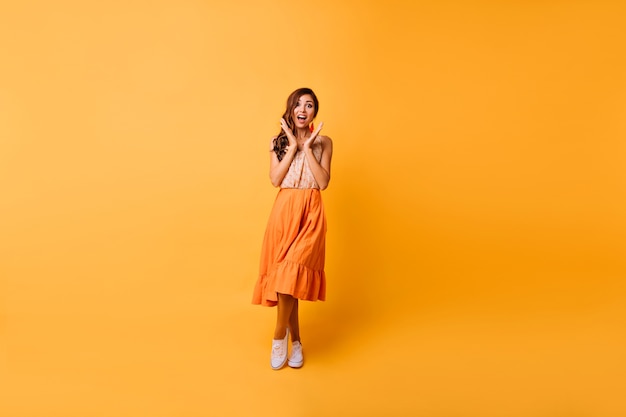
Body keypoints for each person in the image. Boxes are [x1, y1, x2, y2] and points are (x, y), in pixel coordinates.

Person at [252, 87, 333, 370]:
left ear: (314, 112)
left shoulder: (324, 143)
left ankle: (278, 336)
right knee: (287, 282)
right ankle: (295, 340)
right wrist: (292, 145)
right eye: (298, 104)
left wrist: (308, 147)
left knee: (291, 273)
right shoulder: (278, 142)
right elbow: (275, 179)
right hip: (284, 212)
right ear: (291, 109)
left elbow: (322, 182)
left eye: (309, 105)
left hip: (310, 212)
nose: (303, 109)